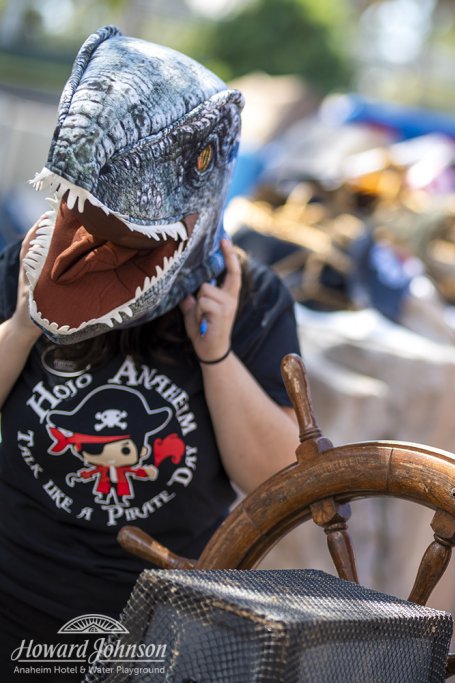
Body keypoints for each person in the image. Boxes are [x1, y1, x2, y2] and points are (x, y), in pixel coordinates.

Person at [0, 26, 300, 681]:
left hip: (153, 638)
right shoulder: (33, 257)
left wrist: (216, 355)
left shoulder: (253, 298)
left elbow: (280, 478)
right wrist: (24, 322)